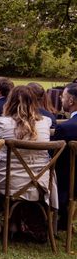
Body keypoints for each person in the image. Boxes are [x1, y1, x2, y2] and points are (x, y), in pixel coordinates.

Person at [0, 85, 53, 239]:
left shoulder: (2, 123)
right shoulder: (45, 123)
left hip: (7, 182)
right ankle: (14, 223)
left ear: (9, 102)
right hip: (39, 182)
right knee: (13, 172)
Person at [52, 83, 77, 230]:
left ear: (71, 101)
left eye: (63, 97)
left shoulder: (66, 128)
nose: (61, 100)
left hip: (68, 184)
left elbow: (52, 157)